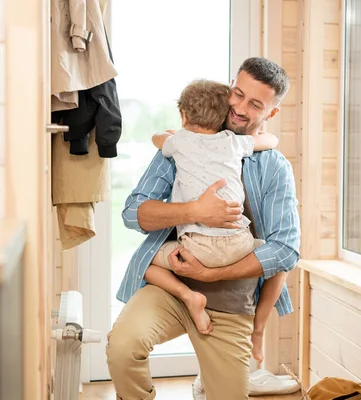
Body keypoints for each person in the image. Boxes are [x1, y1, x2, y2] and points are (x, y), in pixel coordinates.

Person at [106, 57, 300, 400]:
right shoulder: (184, 145)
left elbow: (285, 250)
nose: (239, 108)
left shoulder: (274, 168)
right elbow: (133, 212)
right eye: (236, 94)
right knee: (122, 347)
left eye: (254, 104)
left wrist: (212, 276)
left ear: (271, 114)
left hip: (232, 304)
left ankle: (206, 382)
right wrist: (195, 210)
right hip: (172, 289)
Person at [145, 78, 280, 362]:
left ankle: (188, 296)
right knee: (280, 259)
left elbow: (157, 138)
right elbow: (268, 140)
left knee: (147, 260)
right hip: (238, 245)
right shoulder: (232, 142)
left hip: (197, 250)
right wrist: (268, 137)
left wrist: (169, 134)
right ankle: (259, 329)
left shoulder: (178, 142)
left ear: (183, 115)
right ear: (224, 115)